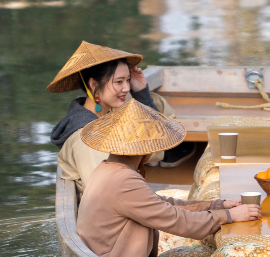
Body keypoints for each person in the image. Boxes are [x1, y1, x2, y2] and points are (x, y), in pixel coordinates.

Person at [76, 99, 262, 257]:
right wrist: (229, 216)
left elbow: (159, 204)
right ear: (145, 149)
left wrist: (217, 206)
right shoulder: (123, 180)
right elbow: (174, 219)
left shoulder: (109, 169)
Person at [48, 40, 192, 193]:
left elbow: (161, 140)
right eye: (119, 82)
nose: (127, 88)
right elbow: (105, 194)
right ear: (94, 85)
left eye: (128, 80)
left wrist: (142, 94)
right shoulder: (85, 140)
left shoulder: (111, 114)